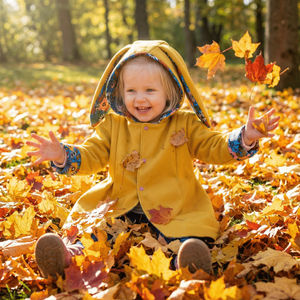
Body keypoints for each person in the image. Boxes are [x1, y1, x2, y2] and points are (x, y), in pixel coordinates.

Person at [26, 40, 279, 278]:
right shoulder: (113, 125)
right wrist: (62, 154)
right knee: (96, 229)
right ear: (119, 91)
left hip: (174, 204)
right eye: (131, 90)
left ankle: (185, 261)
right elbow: (92, 154)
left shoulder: (185, 124)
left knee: (188, 232)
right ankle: (68, 256)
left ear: (169, 92)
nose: (140, 98)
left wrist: (245, 137)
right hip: (120, 202)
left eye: (150, 90)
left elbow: (214, 146)